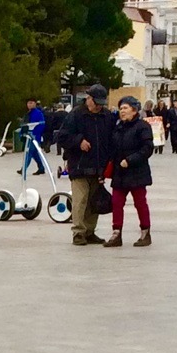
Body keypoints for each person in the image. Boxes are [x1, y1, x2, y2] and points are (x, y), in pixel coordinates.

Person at [55, 84, 117, 247]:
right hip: (79, 165)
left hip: (99, 166)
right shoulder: (76, 114)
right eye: (93, 100)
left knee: (94, 201)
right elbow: (62, 137)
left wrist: (109, 162)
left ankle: (90, 231)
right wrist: (78, 142)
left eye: (99, 103)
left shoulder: (107, 116)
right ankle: (78, 232)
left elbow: (111, 140)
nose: (96, 105)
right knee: (80, 200)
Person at [105, 95, 153, 247]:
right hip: (120, 173)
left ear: (134, 110)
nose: (122, 111)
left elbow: (147, 148)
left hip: (137, 172)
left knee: (140, 203)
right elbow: (112, 149)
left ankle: (145, 232)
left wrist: (130, 160)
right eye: (120, 108)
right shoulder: (118, 127)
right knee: (117, 203)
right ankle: (116, 233)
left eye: (125, 108)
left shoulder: (143, 126)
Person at [22, 97, 46, 177]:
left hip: (34, 136)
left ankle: (23, 169)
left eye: (31, 103)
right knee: (35, 154)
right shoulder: (28, 113)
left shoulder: (38, 113)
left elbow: (41, 124)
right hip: (28, 136)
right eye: (28, 103)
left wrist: (36, 133)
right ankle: (41, 168)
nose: (29, 105)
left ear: (35, 104)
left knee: (29, 153)